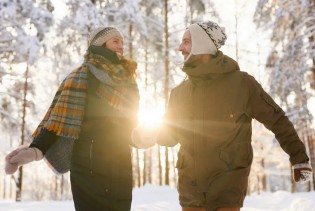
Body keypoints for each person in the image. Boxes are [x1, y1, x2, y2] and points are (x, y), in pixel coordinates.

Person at [155, 21, 313, 211]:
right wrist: (147, 134)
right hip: (191, 193)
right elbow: (169, 137)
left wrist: (299, 158)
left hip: (227, 191)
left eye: (186, 42)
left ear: (203, 44)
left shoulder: (242, 84)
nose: (180, 47)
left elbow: (277, 119)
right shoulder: (179, 93)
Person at [5, 26, 140, 211]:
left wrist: (141, 137)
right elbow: (58, 119)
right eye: (115, 41)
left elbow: (132, 127)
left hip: (121, 165)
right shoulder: (81, 76)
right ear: (100, 43)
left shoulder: (129, 82)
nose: (121, 46)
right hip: (88, 167)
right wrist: (37, 148)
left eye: (122, 42)